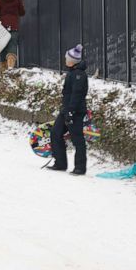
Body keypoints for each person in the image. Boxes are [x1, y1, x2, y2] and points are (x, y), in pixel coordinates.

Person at [49, 45, 88, 175]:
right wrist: (66, 110)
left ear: (72, 61)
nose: (65, 60)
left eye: (67, 58)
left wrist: (71, 112)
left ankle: (80, 167)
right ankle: (60, 163)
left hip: (75, 111)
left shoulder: (79, 75)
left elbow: (77, 95)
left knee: (77, 139)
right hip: (66, 110)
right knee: (55, 132)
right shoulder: (71, 73)